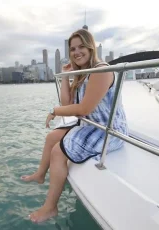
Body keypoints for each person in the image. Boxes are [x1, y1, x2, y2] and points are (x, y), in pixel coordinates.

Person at [21, 29, 128, 223]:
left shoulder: (101, 70)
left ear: (90, 47)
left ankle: (50, 207)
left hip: (107, 130)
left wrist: (54, 112)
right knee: (51, 138)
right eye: (72, 49)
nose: (76, 52)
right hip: (91, 125)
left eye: (81, 47)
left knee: (58, 152)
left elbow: (84, 108)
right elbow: (67, 103)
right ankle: (40, 175)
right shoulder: (83, 73)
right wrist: (64, 76)